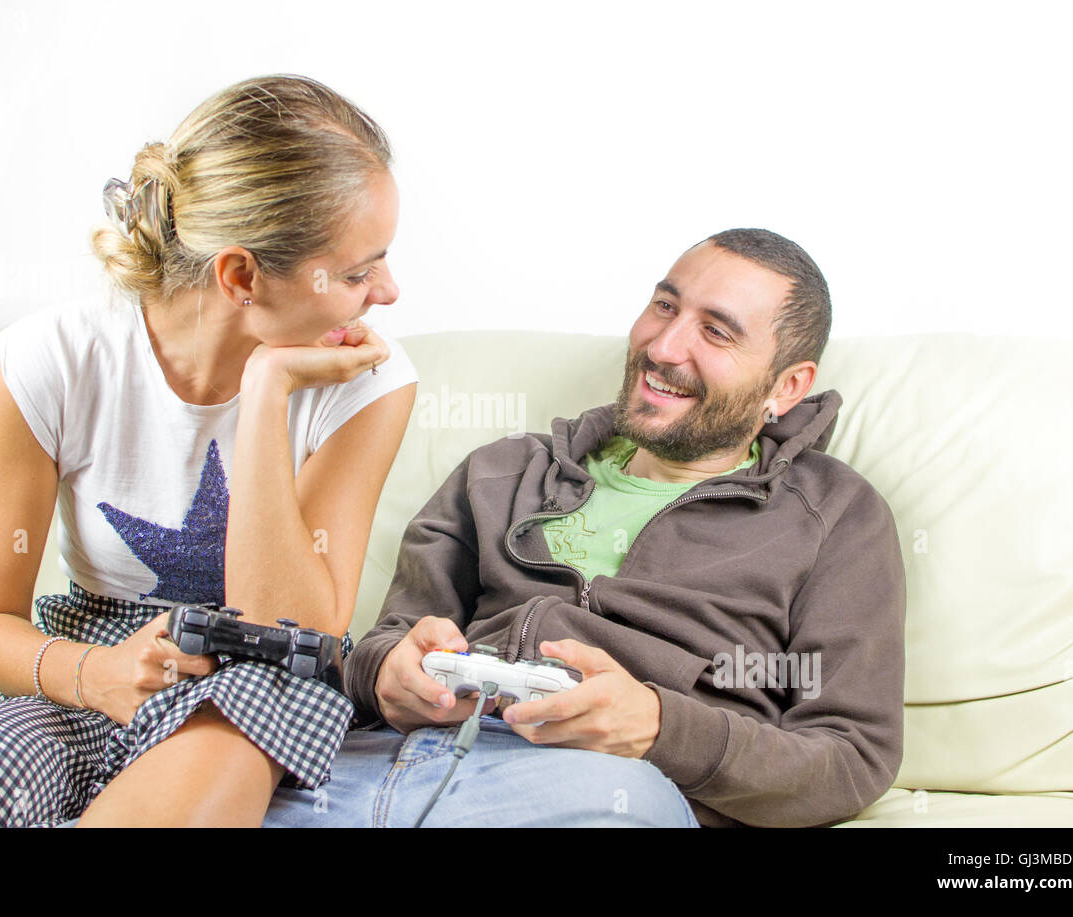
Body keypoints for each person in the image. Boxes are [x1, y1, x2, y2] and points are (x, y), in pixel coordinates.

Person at [0, 75, 417, 828]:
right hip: (92, 651)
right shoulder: (50, 358)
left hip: (264, 672)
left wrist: (267, 390)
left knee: (224, 744)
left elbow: (294, 626)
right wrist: (96, 673)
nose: (389, 292)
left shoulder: (370, 382)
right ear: (241, 275)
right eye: (361, 271)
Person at [264, 228, 906, 828]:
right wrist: (386, 673)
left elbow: (851, 757)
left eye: (715, 332)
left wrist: (659, 728)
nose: (663, 348)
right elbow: (389, 641)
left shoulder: (835, 516)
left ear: (787, 387)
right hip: (376, 764)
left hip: (602, 786)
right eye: (663, 306)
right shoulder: (504, 469)